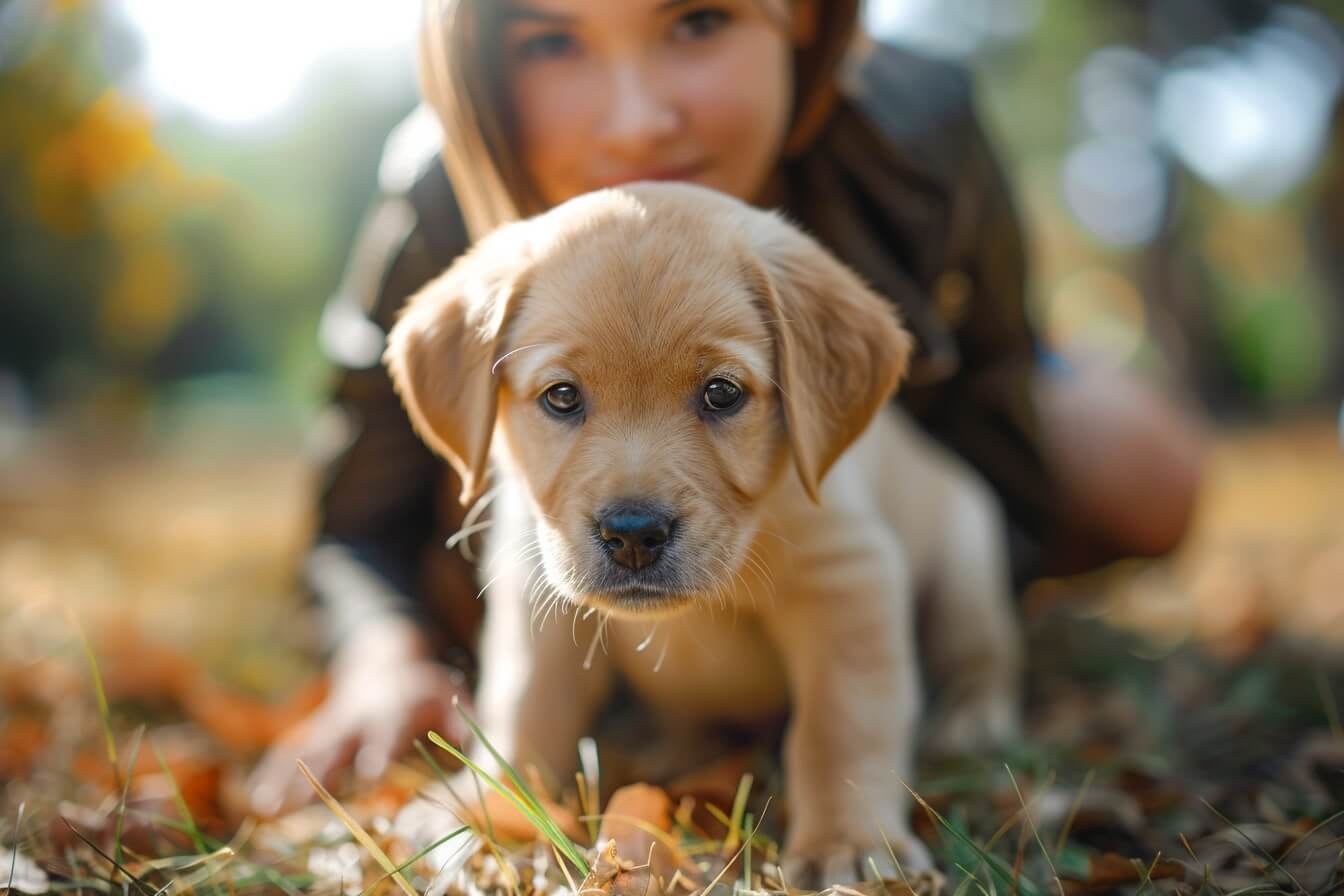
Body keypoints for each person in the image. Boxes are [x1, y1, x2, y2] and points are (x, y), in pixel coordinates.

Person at [247, 0, 1205, 817]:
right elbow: (357, 503)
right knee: (512, 542)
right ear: (480, 57)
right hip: (624, 600)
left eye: (697, 19)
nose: (636, 122)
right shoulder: (436, 194)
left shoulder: (919, 122)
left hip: (905, 449)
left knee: (1041, 487)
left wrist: (928, 683)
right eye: (553, 41)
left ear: (799, 16)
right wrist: (392, 655)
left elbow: (993, 426)